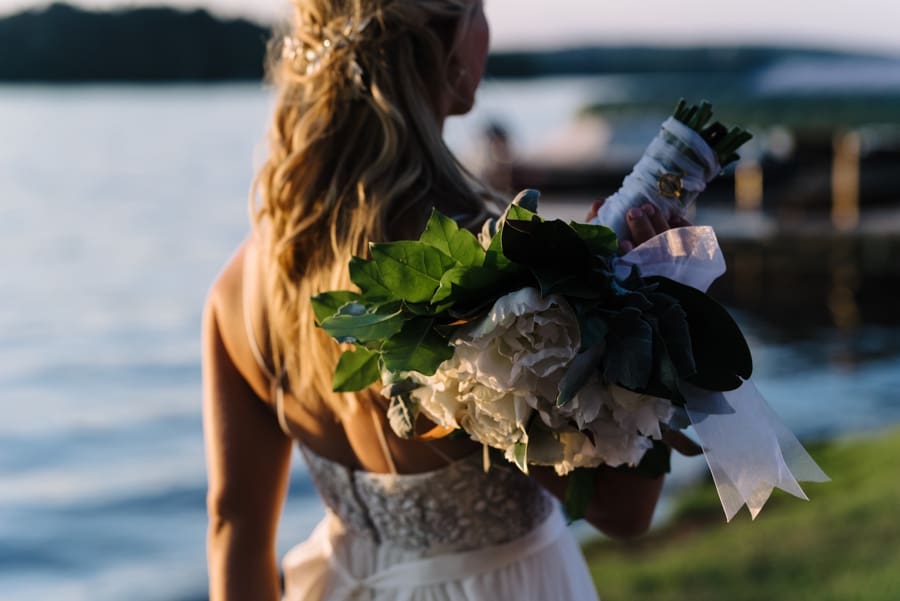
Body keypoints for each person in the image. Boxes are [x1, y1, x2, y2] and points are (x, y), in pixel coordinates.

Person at [202, 1, 692, 599]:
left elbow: (236, 523)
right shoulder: (474, 264)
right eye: (479, 9)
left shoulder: (243, 282)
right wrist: (647, 290)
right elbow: (623, 509)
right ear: (443, 47)